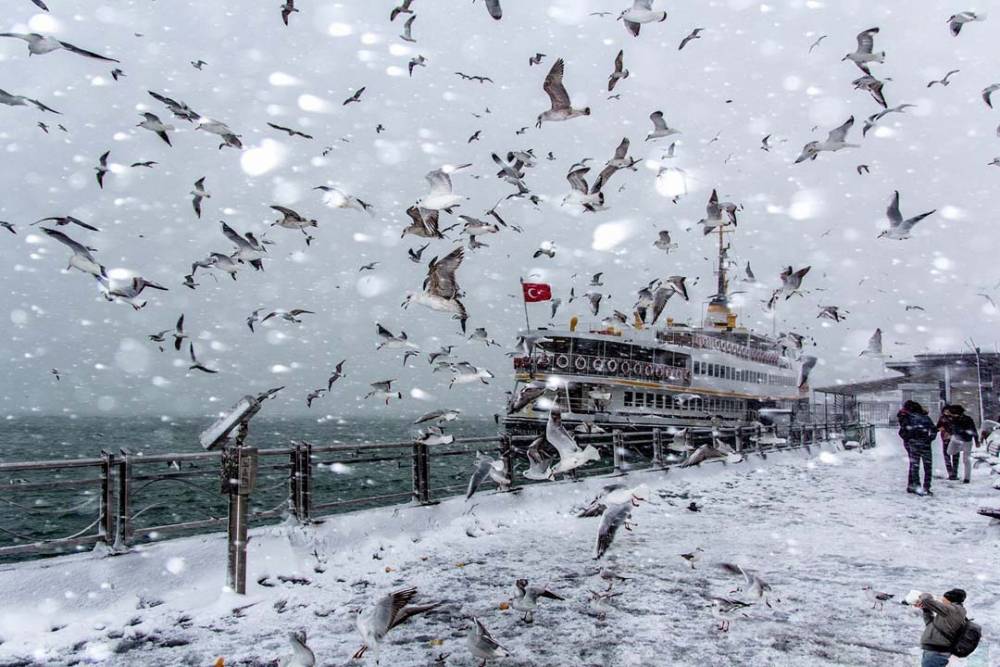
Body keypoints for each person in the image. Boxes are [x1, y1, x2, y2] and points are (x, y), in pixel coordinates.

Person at [915, 589, 967, 667]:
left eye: (944, 600)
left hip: (937, 652)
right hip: (933, 651)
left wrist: (924, 595)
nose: (942, 601)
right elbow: (931, 625)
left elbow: (926, 599)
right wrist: (926, 610)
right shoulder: (951, 611)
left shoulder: (953, 610)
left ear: (950, 600)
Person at [897, 400, 937, 495]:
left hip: (913, 443)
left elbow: (902, 431)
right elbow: (934, 430)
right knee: (928, 466)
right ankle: (926, 487)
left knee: (915, 466)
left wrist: (908, 439)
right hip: (925, 443)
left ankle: (916, 486)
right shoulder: (926, 418)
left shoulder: (907, 417)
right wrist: (930, 438)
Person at [947, 405, 980, 484]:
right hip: (956, 439)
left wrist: (976, 440)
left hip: (966, 440)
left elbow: (973, 430)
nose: (951, 415)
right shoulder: (952, 419)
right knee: (949, 452)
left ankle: (967, 478)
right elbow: (952, 428)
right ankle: (960, 448)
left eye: (952, 413)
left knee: (966, 460)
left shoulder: (967, 419)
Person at [936, 405, 959, 480]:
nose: (947, 412)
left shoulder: (955, 418)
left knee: (954, 456)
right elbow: (937, 428)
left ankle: (954, 473)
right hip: (946, 439)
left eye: (948, 411)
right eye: (946, 411)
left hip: (954, 439)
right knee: (947, 456)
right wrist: (942, 430)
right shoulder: (942, 418)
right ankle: (951, 473)